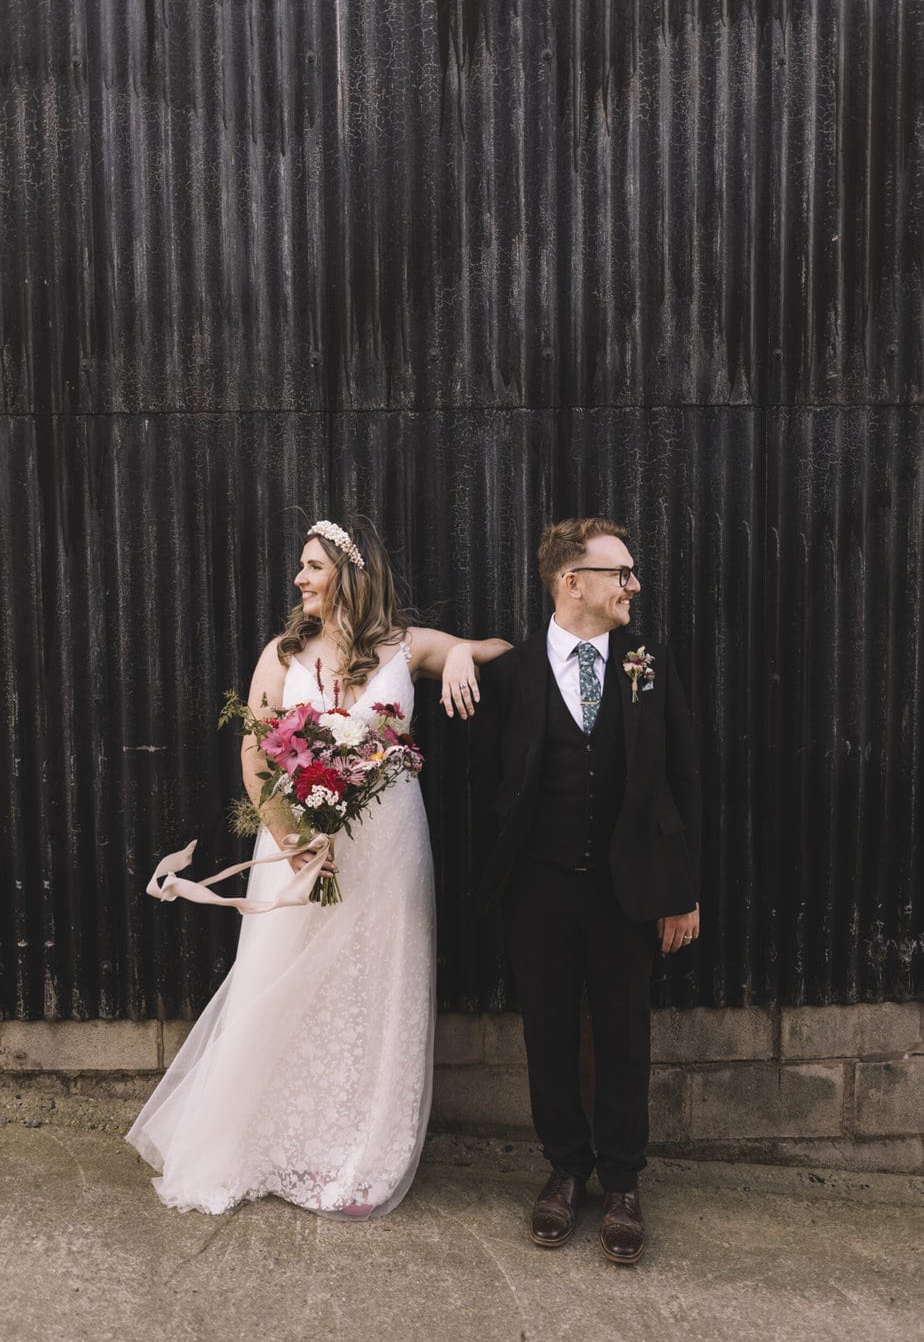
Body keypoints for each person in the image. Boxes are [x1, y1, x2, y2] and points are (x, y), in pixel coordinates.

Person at [127, 515, 509, 1218]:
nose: (300, 579)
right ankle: (284, 1139)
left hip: (391, 843)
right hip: (298, 844)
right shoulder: (281, 653)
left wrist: (458, 655)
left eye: (313, 566)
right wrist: (288, 837)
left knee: (377, 986)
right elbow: (253, 756)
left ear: (350, 574)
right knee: (284, 983)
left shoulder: (403, 644)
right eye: (301, 567)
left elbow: (496, 648)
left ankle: (363, 1151)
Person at [469, 516, 701, 1264]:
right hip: (536, 892)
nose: (634, 585)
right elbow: (488, 789)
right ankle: (566, 1169)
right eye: (621, 572)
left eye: (632, 573)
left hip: (624, 893)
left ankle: (625, 1182)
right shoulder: (510, 674)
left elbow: (683, 785)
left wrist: (681, 892)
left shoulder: (649, 664)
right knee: (548, 1033)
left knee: (627, 1033)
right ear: (574, 583)